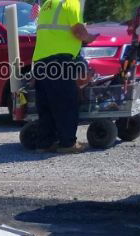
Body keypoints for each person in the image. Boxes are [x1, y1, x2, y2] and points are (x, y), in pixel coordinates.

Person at [32, 0, 98, 153]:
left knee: (46, 105)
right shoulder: (70, 3)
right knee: (65, 104)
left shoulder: (48, 4)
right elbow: (78, 32)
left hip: (41, 61)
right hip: (61, 61)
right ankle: (67, 144)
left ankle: (45, 143)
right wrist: (90, 38)